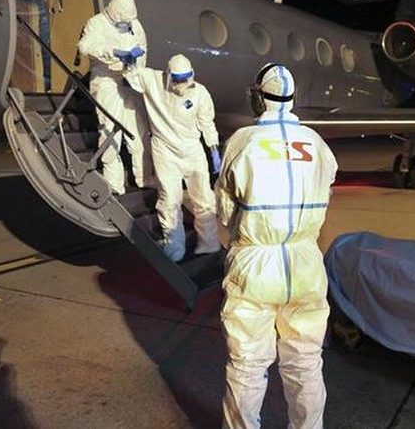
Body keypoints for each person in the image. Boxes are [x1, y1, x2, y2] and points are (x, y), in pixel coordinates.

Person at [215, 64, 338, 428]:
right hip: (305, 265)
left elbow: (224, 212)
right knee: (305, 363)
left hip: (255, 266)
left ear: (258, 96)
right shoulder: (318, 144)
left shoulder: (242, 141)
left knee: (248, 367)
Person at [124, 54, 221, 261]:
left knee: (203, 198)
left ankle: (209, 243)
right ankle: (174, 248)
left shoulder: (200, 93)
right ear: (168, 75)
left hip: (193, 151)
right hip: (165, 151)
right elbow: (132, 76)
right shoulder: (153, 81)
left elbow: (207, 123)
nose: (180, 84)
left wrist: (213, 149)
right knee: (169, 199)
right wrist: (130, 62)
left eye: (184, 79)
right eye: (176, 79)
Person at [77, 0, 152, 195]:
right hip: (106, 80)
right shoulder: (97, 23)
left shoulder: (135, 25)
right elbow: (85, 46)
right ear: (114, 13)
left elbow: (143, 47)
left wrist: (135, 67)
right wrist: (114, 53)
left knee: (139, 131)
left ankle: (144, 177)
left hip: (130, 80)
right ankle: (114, 184)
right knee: (110, 131)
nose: (126, 24)